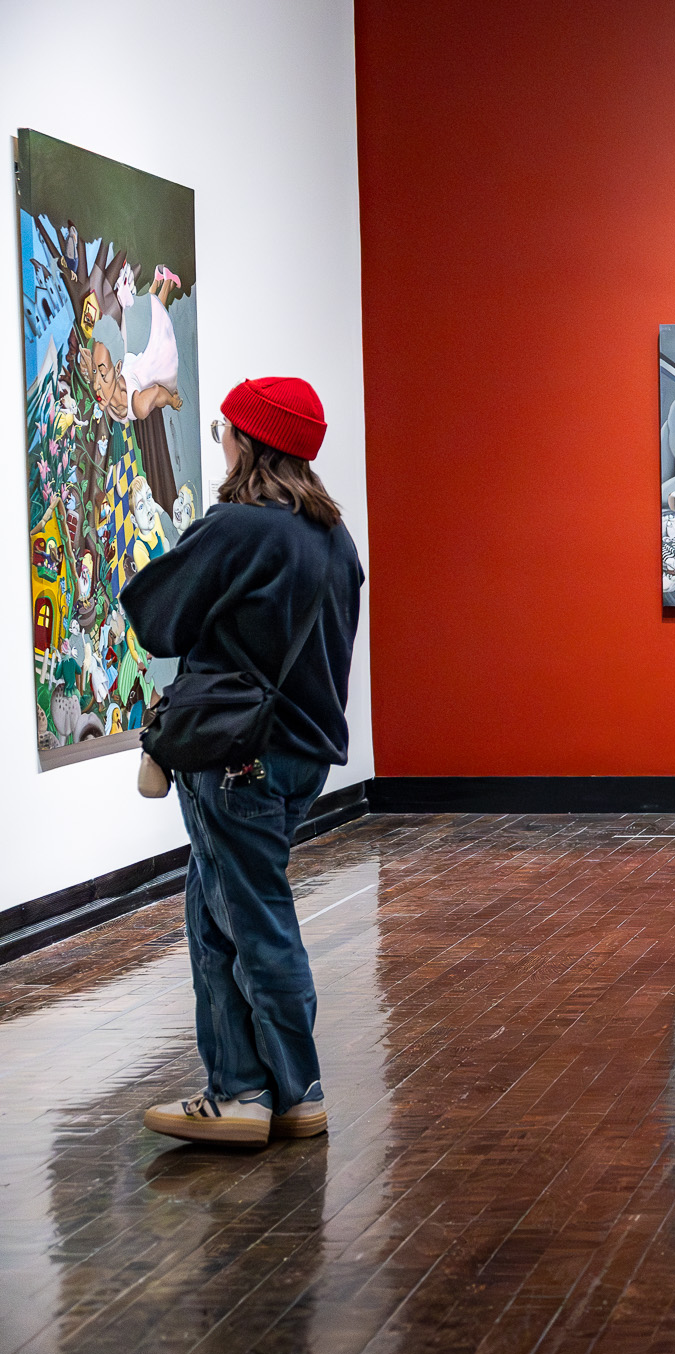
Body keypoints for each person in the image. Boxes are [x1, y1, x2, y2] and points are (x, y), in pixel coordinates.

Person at [119, 376, 365, 1146]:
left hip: (237, 759)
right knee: (213, 910)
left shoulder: (238, 526)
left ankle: (291, 1088)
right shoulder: (335, 540)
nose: (219, 440)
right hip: (301, 758)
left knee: (254, 920)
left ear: (250, 442)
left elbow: (154, 615)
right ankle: (245, 1089)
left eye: (225, 428)